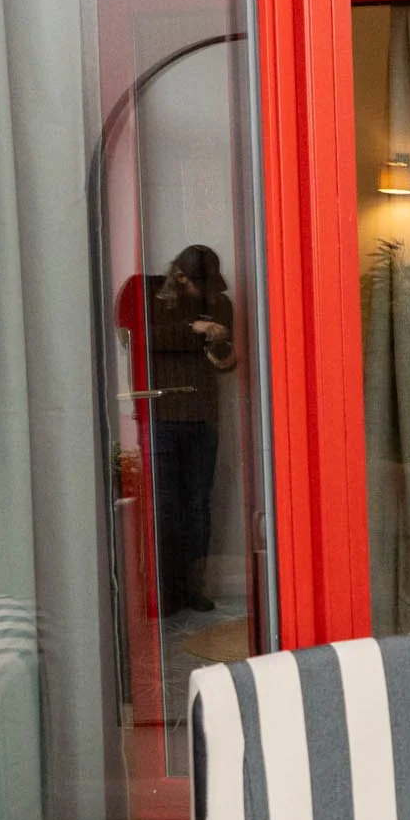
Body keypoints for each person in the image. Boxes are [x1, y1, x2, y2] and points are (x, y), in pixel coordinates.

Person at [149, 245, 236, 615]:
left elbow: (227, 364)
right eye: (199, 286)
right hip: (163, 417)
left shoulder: (220, 303)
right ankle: (164, 590)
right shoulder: (153, 299)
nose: (207, 295)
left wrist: (218, 342)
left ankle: (192, 588)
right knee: (165, 507)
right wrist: (193, 330)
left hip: (202, 417)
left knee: (199, 506)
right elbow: (149, 339)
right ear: (180, 277)